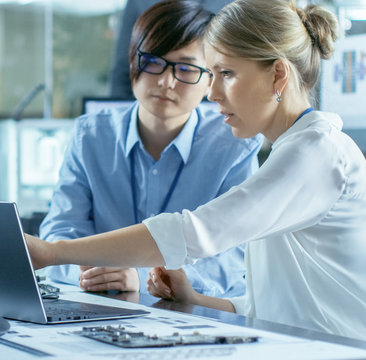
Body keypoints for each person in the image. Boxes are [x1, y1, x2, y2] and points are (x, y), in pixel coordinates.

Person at [26, 0, 366, 345]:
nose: (212, 92)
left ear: (278, 74)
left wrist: (52, 252)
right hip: (288, 344)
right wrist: (196, 297)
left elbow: (191, 234)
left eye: (226, 74)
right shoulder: (292, 151)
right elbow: (265, 306)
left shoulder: (318, 153)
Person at [40, 0, 262, 297]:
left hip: (197, 317)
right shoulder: (90, 136)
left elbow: (234, 257)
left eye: (185, 68)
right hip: (99, 308)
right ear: (133, 61)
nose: (165, 81)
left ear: (210, 78)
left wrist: (140, 277)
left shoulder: (235, 148)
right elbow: (59, 234)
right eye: (153, 62)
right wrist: (95, 271)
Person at [109, 0, 233, 98]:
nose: (166, 82)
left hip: (210, 99)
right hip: (149, 102)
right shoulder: (140, 3)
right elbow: (123, 68)